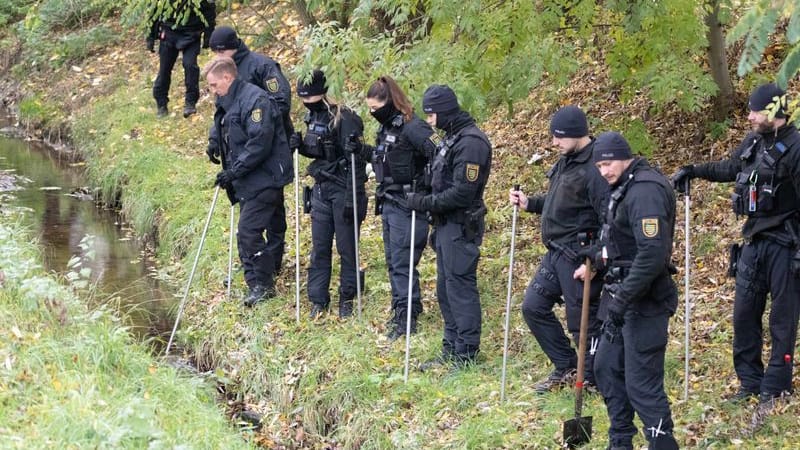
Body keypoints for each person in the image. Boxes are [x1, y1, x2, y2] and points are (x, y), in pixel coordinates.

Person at [671, 83, 800, 407]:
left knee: (782, 320)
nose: (749, 116)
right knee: (744, 314)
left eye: (755, 111)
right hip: (753, 241)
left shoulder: (797, 148)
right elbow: (731, 168)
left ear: (774, 112)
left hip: (787, 245)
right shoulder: (755, 141)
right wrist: (694, 171)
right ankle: (750, 382)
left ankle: (776, 385)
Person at [589, 131, 679, 450]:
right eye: (599, 166)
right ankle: (620, 440)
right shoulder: (622, 187)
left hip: (645, 302)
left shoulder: (645, 191)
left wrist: (623, 299)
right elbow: (618, 238)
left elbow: (652, 253)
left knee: (642, 385)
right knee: (606, 368)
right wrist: (596, 256)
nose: (604, 172)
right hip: (619, 295)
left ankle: (662, 443)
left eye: (608, 164)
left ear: (625, 156)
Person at [508, 105, 607, 393]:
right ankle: (566, 366)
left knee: (583, 325)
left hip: (580, 254)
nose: (554, 143)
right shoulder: (567, 159)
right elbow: (558, 202)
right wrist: (530, 204)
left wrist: (596, 262)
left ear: (577, 134)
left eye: (559, 137)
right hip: (555, 253)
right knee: (533, 307)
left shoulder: (596, 169)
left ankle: (590, 379)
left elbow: (611, 221)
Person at [405, 85, 491, 369]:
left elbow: (462, 193)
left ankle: (466, 352)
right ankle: (451, 347)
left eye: (431, 115)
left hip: (460, 225)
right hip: (444, 226)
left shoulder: (471, 143)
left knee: (459, 288)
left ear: (443, 111)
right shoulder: (451, 139)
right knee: (445, 288)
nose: (429, 121)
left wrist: (425, 202)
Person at [346, 76, 437, 340]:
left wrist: (427, 188)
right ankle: (403, 309)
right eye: (370, 110)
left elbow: (440, 152)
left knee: (402, 262)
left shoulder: (413, 127)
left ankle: (407, 317)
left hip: (409, 203)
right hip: (389, 201)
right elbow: (384, 158)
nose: (373, 114)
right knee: (393, 261)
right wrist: (362, 150)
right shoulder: (388, 128)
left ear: (390, 102)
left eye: (375, 108)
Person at [203, 56, 292, 307]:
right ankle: (255, 274)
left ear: (227, 78)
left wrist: (234, 171)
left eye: (213, 85)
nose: (212, 91)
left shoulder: (257, 100)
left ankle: (261, 284)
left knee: (248, 231)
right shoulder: (227, 98)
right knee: (253, 229)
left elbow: (259, 143)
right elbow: (221, 120)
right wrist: (214, 143)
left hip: (265, 176)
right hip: (248, 178)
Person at [289, 70, 367, 319]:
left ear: (323, 94)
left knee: (347, 248)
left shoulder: (345, 118)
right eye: (303, 99)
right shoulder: (312, 117)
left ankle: (348, 297)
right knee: (320, 248)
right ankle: (318, 300)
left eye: (310, 98)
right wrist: (300, 147)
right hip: (321, 189)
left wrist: (351, 198)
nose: (307, 104)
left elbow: (356, 160)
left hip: (344, 188)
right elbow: (320, 152)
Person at [147, 0, 216, 118]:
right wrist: (151, 37)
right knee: (164, 69)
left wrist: (208, 36)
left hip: (192, 32)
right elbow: (153, 10)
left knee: (190, 66)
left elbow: (209, 10)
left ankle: (190, 103)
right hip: (169, 31)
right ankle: (161, 104)